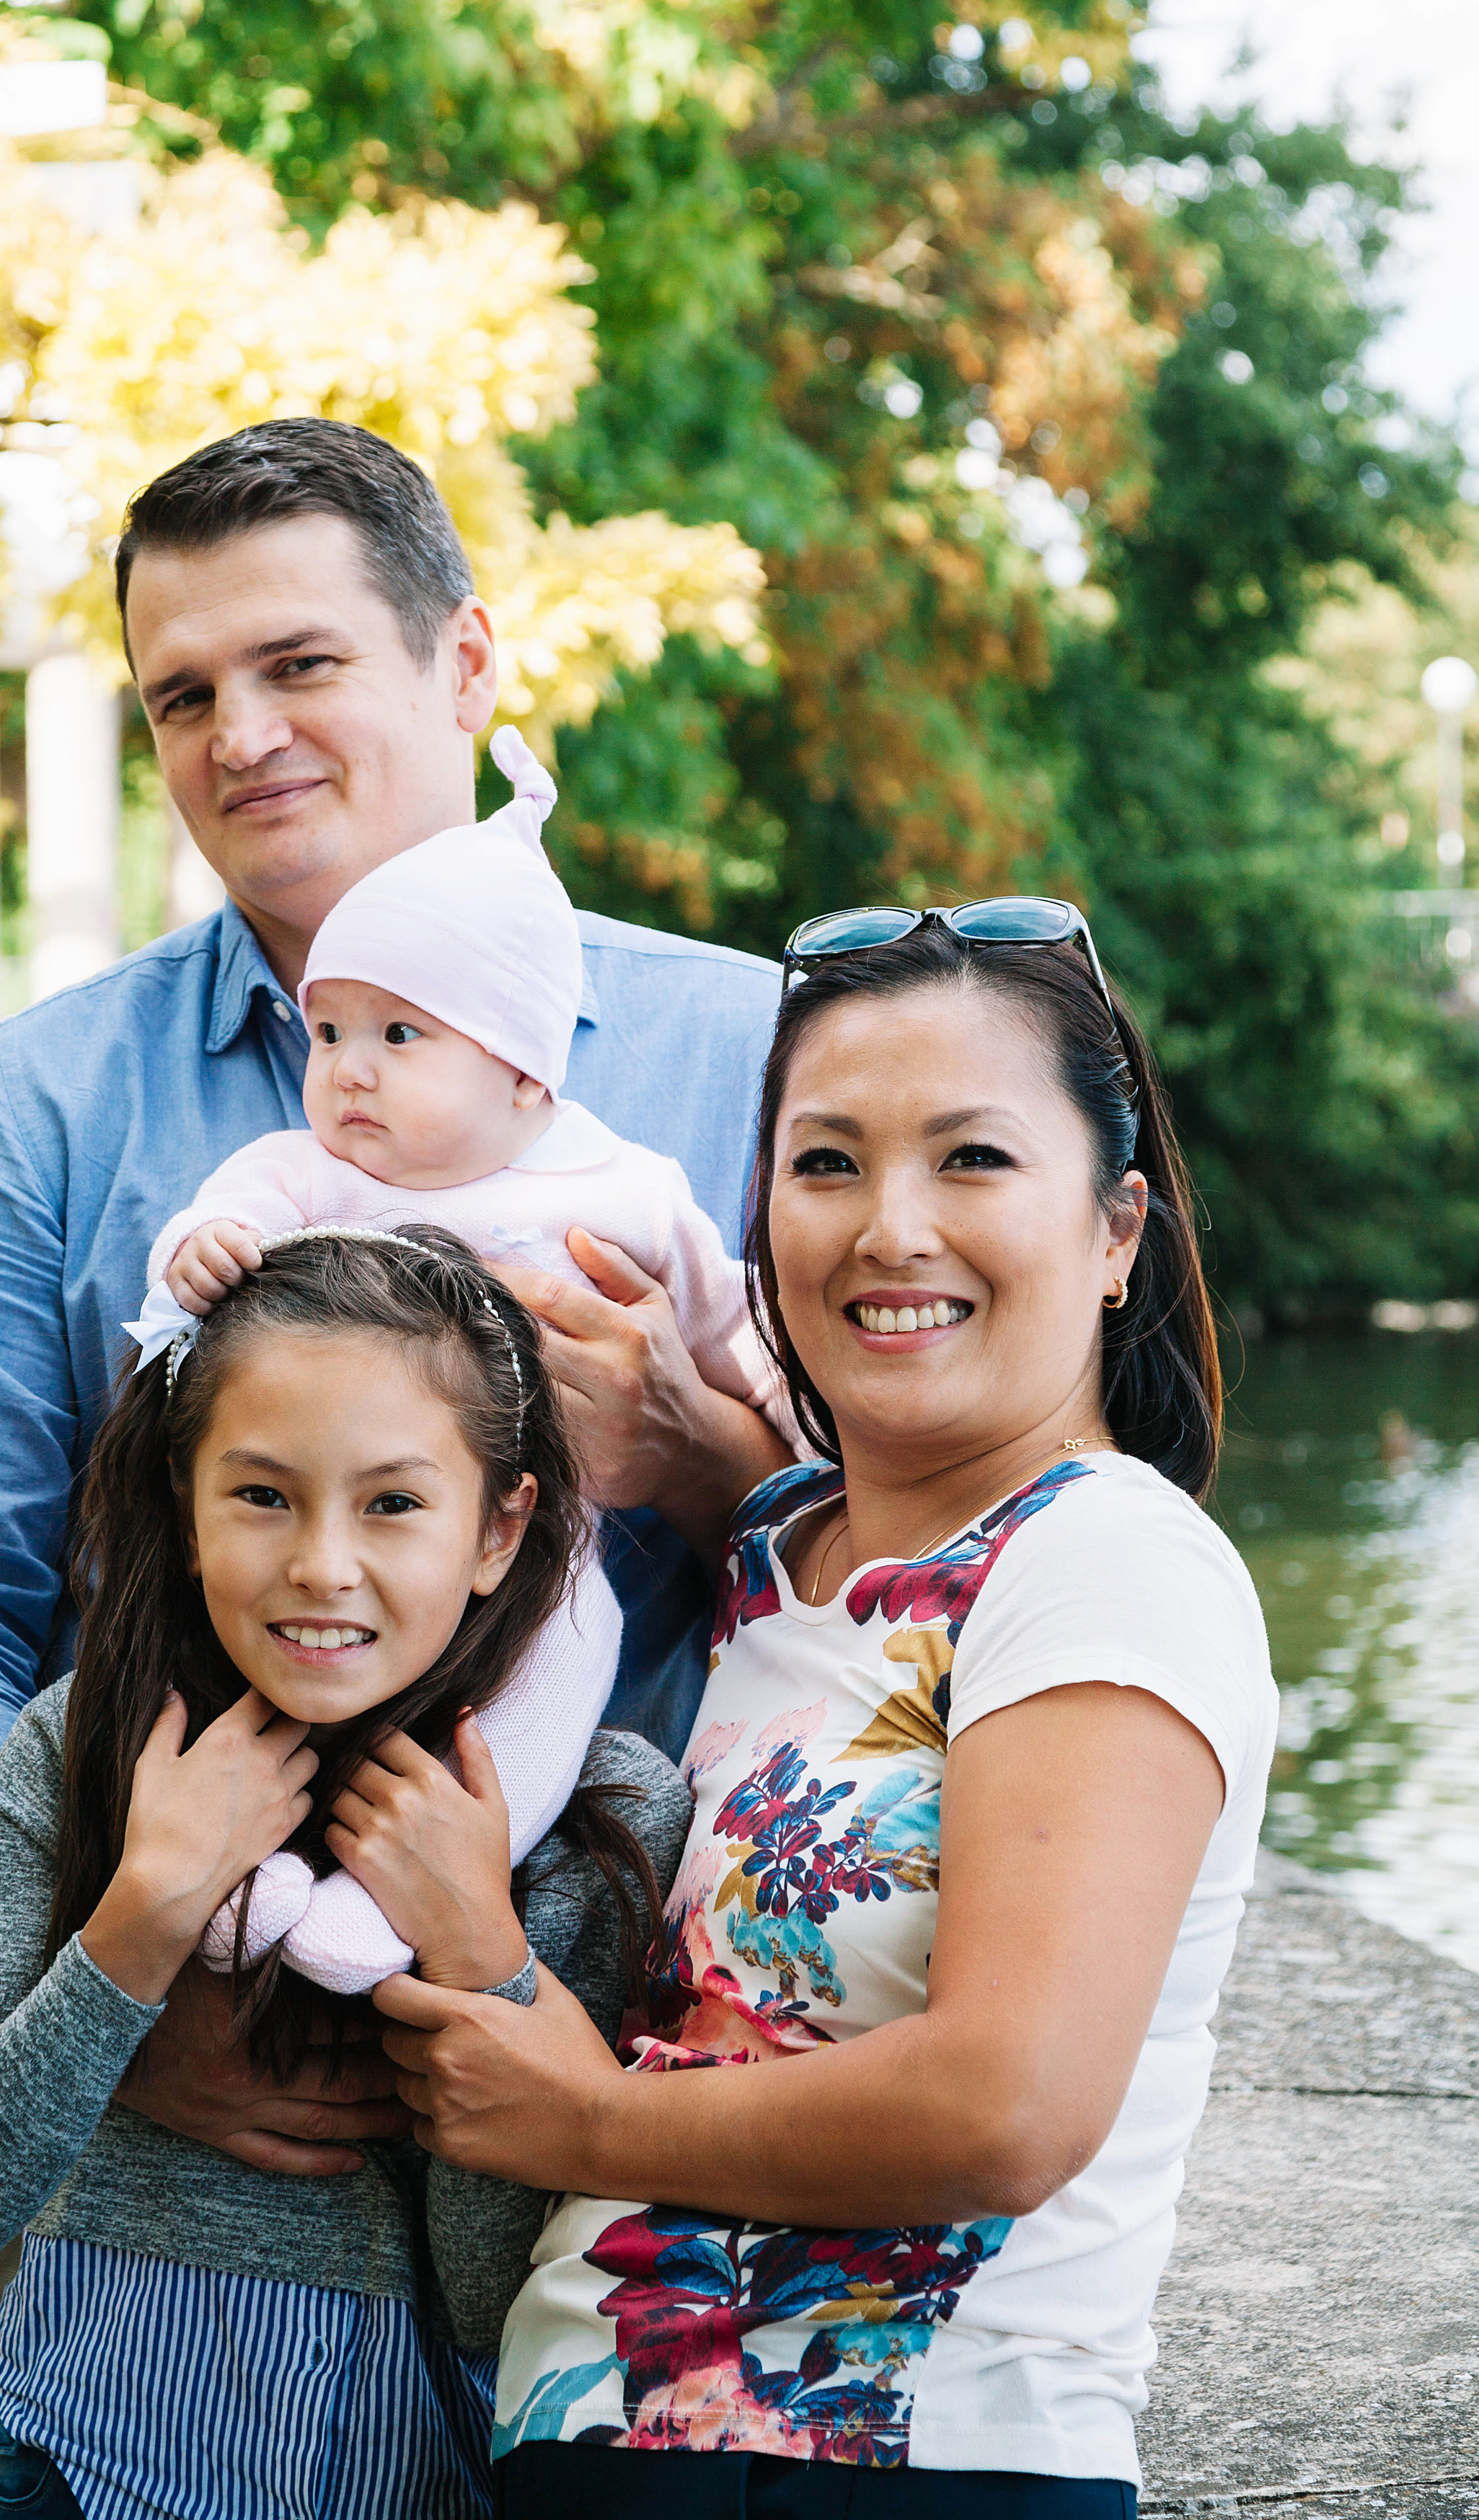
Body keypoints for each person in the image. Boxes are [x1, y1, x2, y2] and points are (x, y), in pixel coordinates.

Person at [0, 418, 787, 2519]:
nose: (241, 732)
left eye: (301, 662)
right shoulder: (46, 1106)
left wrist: (703, 1464)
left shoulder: (756, 1063)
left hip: (648, 2134)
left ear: (469, 665)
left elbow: (933, 1578)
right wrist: (119, 1983)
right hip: (110, 2154)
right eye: (183, 696)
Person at [371, 902, 1281, 2516]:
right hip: (598, 2443)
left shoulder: (1104, 1563)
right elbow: (841, 1585)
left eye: (972, 1159)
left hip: (891, 2459)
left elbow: (1001, 2106)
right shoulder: (794, 1558)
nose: (889, 1229)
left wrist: (581, 2112)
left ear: (1116, 1226)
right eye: (826, 1162)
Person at [0, 1225, 691, 2520]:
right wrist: (142, 1916)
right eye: (262, 1495)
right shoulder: (79, 1746)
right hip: (81, 2477)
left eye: (394, 1502)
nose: (323, 1564)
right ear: (187, 1508)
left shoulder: (605, 1814)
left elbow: (502, 2300)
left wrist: (480, 1949)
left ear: (500, 1528)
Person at [130, 723, 793, 1998]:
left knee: (555, 1684)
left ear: (528, 1077)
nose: (348, 1075)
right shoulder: (311, 1172)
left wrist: (764, 1410)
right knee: (191, 1644)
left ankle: (393, 1907)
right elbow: (216, 1221)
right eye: (329, 1035)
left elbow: (735, 1326)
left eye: (399, 1038)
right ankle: (232, 1879)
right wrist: (206, 1250)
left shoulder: (624, 1189)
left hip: (538, 1548)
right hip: (331, 1536)